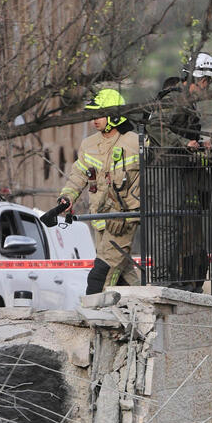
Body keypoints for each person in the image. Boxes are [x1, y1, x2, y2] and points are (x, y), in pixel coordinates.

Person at [143, 52, 212, 292]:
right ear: (196, 78)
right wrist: (185, 144)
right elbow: (154, 127)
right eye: (205, 81)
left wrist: (201, 144)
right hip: (163, 171)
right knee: (166, 226)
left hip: (175, 171)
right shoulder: (175, 99)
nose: (206, 87)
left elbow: (180, 134)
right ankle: (162, 280)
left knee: (175, 228)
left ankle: (174, 280)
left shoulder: (186, 103)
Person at [57, 88, 141, 295]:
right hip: (100, 220)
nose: (94, 120)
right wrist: (66, 197)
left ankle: (96, 318)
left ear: (114, 116)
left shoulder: (135, 142)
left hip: (123, 221)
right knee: (122, 273)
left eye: (99, 115)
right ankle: (147, 309)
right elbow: (78, 175)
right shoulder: (89, 145)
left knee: (100, 275)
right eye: (93, 115)